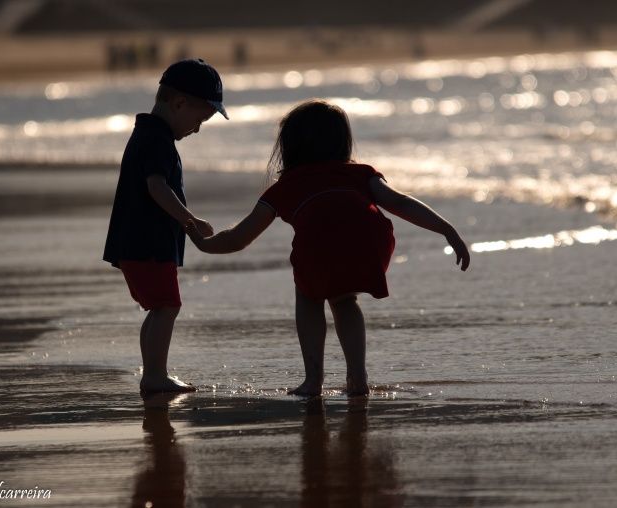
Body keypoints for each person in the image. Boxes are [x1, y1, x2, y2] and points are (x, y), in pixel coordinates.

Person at [186, 99, 469, 397]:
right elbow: (399, 202)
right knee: (345, 300)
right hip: (369, 242)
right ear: (342, 142)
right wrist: (446, 229)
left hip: (320, 246)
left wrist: (203, 244)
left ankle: (313, 380)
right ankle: (357, 378)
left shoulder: (285, 188)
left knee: (309, 296)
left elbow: (240, 237)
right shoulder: (361, 174)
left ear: (288, 147)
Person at [103, 58, 229, 394]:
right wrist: (191, 221)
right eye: (200, 119)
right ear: (179, 103)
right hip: (148, 244)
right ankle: (155, 376)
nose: (198, 128)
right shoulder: (157, 141)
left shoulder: (146, 134)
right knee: (167, 307)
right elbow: (157, 187)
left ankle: (153, 373)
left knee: (159, 308)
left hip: (136, 243)